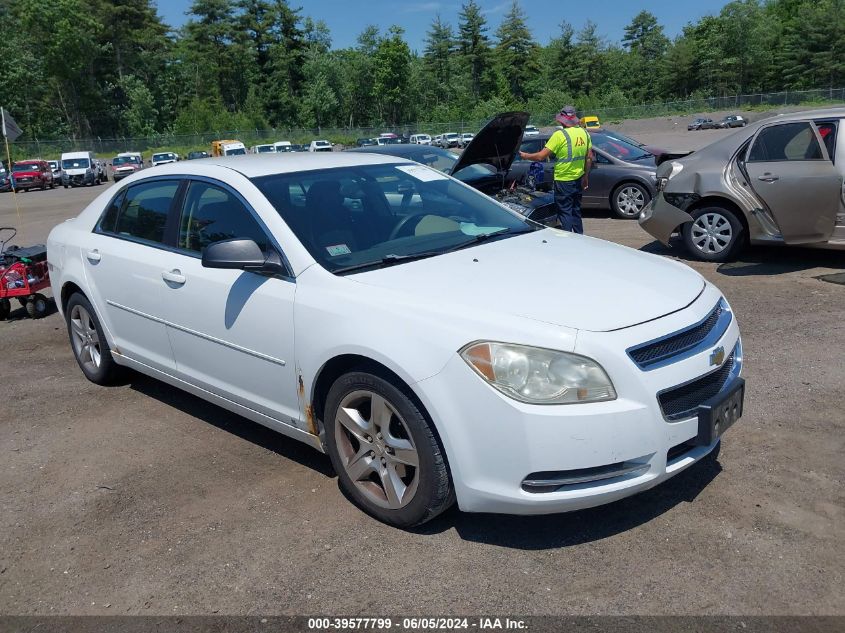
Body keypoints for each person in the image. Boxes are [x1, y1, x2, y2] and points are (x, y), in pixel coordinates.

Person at [519, 106, 592, 233]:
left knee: (565, 212)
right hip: (578, 179)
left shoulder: (559, 135)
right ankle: (580, 238)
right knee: (575, 211)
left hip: (563, 181)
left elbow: (541, 156)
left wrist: (525, 156)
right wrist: (585, 177)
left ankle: (568, 241)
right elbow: (589, 157)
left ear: (562, 121)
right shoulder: (584, 133)